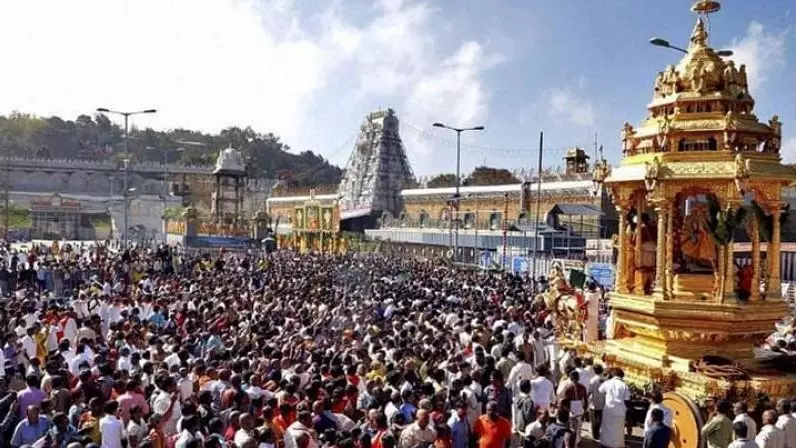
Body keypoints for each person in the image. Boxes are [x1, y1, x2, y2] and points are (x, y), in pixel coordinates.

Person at [599, 368, 630, 448]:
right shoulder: (624, 385)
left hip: (608, 410)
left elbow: (600, 390)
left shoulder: (608, 383)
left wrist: (605, 379)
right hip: (619, 411)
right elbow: (627, 400)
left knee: (606, 428)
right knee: (618, 431)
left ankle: (606, 444)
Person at [588, 364, 605, 440]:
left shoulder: (593, 380)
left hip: (594, 403)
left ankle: (595, 435)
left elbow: (589, 392)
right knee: (600, 419)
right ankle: (598, 432)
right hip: (602, 402)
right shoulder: (605, 379)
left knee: (594, 420)